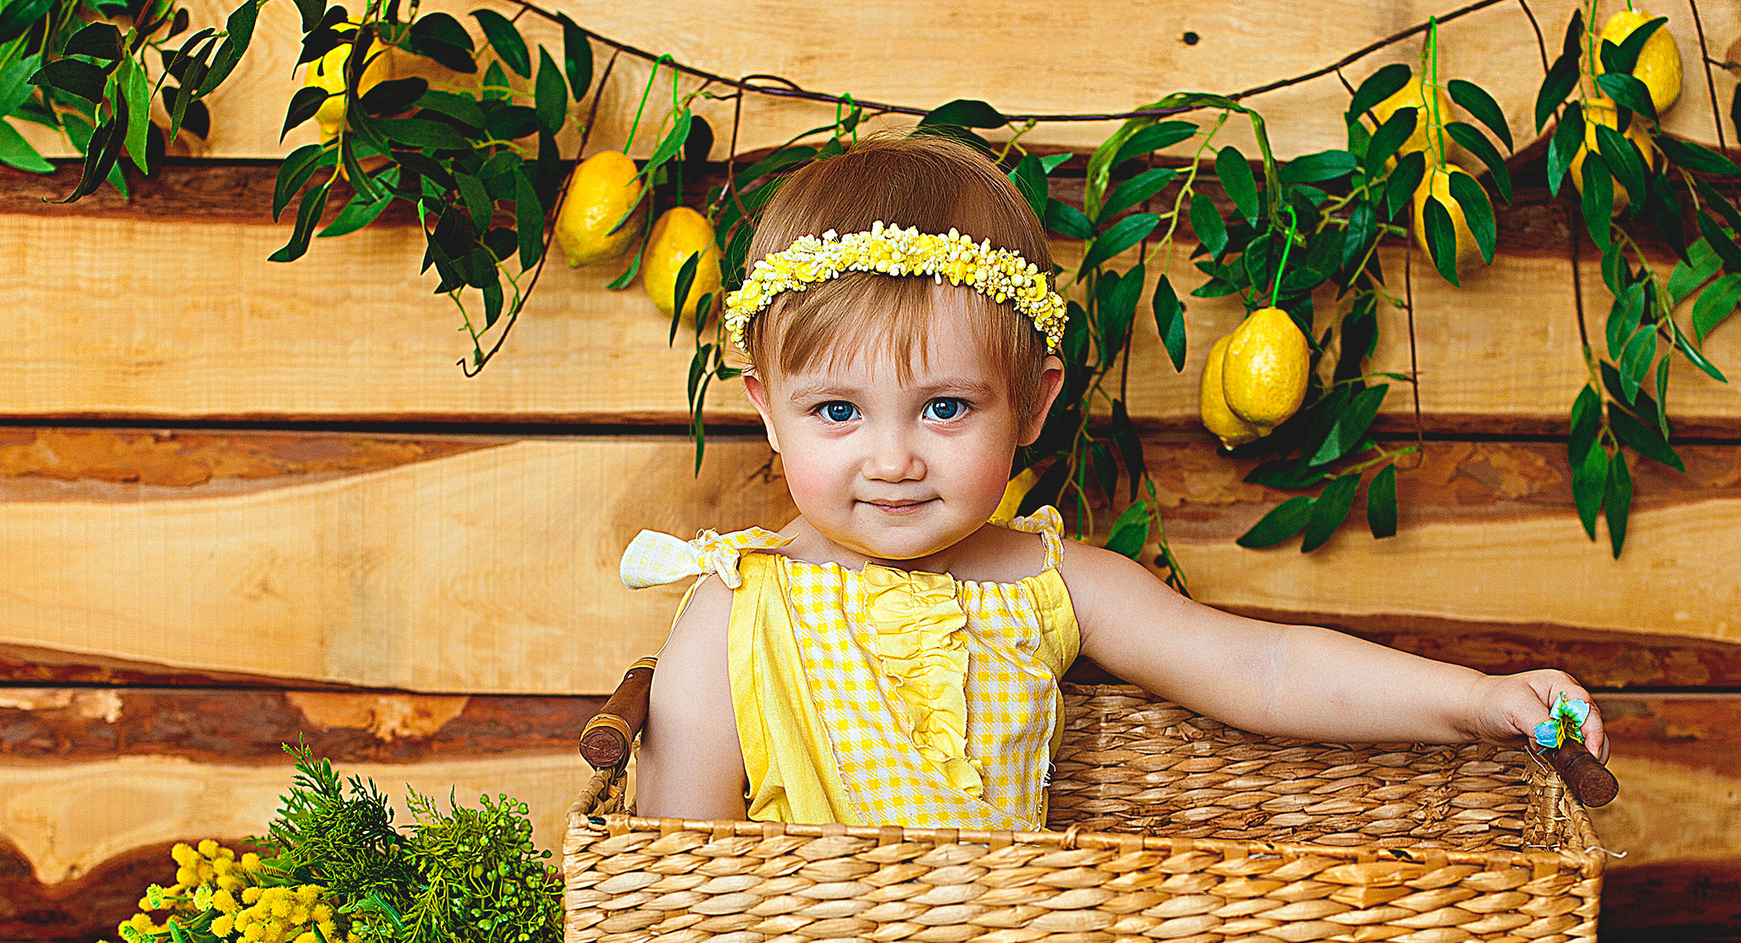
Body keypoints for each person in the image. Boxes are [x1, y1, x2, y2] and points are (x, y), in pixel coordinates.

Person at [624, 132, 1604, 827]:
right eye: (838, 413)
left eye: (945, 408)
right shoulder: (734, 607)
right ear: (765, 407)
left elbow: (1258, 670)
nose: (892, 460)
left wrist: (1476, 699)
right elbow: (680, 883)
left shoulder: (1051, 581)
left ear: (1033, 405)